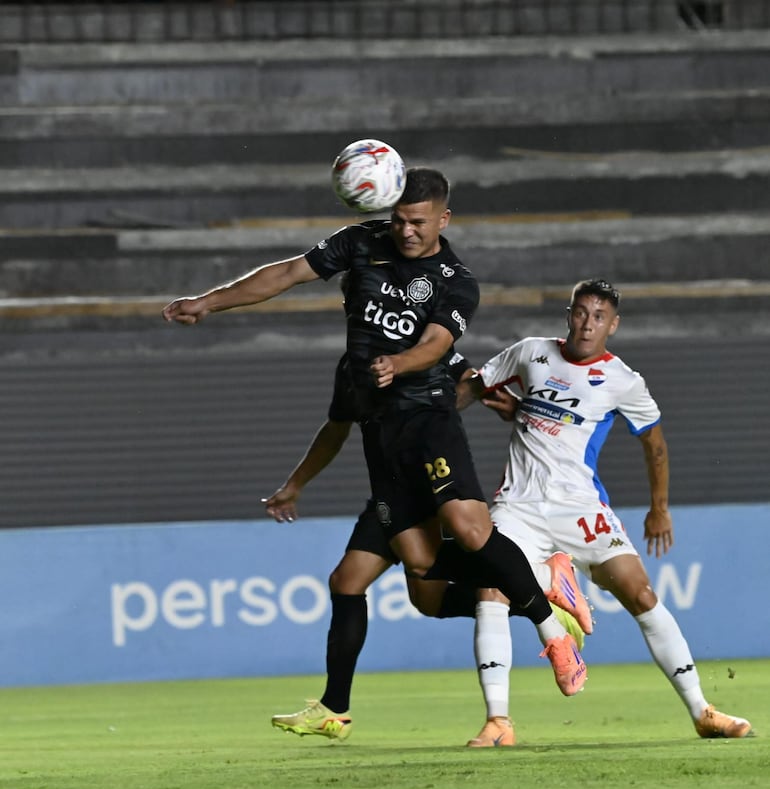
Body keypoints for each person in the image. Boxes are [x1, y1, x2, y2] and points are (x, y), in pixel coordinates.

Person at [162, 167, 587, 714]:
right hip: (381, 435)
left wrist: (400, 364)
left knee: (469, 528)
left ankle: (553, 635)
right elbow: (288, 272)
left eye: (418, 222)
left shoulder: (456, 280)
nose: (406, 230)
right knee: (423, 577)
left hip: (429, 418)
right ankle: (542, 580)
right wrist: (208, 301)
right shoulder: (360, 245)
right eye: (399, 220)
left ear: (443, 219)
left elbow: (437, 343)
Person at [455, 278, 752, 746]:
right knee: (491, 589)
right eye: (580, 313)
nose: (587, 324)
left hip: (580, 508)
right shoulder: (531, 352)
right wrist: (431, 413)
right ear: (568, 314)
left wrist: (659, 509)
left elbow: (655, 444)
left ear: (613, 325)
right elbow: (473, 388)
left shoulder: (623, 381)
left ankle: (703, 711)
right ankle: (498, 721)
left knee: (641, 593)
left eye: (598, 317)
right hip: (519, 506)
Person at [265, 350, 586, 741]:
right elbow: (336, 427)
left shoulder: (422, 339)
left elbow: (470, 378)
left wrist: (479, 408)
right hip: (388, 485)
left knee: (416, 567)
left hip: (426, 480)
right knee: (387, 590)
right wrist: (295, 485)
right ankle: (335, 710)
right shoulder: (353, 361)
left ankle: (540, 582)